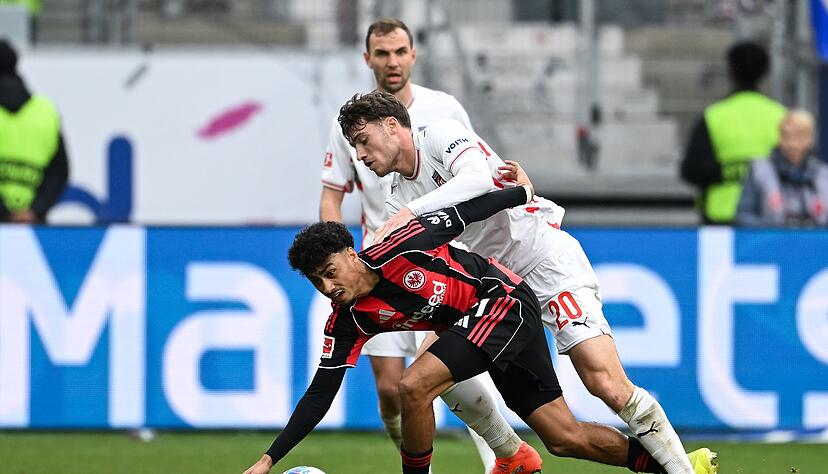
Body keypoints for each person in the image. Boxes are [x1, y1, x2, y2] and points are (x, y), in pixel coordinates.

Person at [341, 90, 718, 474]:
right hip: (496, 293)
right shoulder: (396, 198)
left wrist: (413, 212)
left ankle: (682, 470)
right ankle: (510, 452)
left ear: (392, 126)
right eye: (354, 147)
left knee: (606, 384)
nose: (360, 155)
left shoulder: (438, 135)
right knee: (552, 433)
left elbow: (477, 178)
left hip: (545, 262)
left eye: (363, 141)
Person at [244, 165, 692, 474]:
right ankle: (669, 465)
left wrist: (523, 193)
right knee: (563, 438)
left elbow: (464, 213)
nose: (327, 286)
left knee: (413, 385)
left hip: (505, 301)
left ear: (349, 253)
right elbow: (320, 393)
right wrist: (268, 459)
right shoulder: (347, 321)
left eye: (329, 272)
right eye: (316, 281)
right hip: (476, 328)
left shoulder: (400, 246)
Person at [319, 18, 529, 473]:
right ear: (368, 59)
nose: (392, 62)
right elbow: (332, 195)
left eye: (400, 52)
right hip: (376, 267)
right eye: (382, 53)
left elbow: (477, 170)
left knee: (436, 371)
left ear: (413, 55)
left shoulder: (443, 109)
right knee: (391, 392)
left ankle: (502, 457)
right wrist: (338, 261)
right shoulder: (349, 124)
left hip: (435, 258)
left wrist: (516, 191)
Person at [680, 41, 787, 224]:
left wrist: (728, 172)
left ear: (731, 70)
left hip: (720, 216)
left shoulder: (713, 116)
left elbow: (691, 170)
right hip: (769, 217)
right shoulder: (782, 116)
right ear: (766, 71)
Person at [0, 38, 68, 223]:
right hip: (32, 225)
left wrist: (5, 212)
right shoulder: (44, 111)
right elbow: (59, 171)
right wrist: (35, 210)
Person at [736, 109, 828, 226]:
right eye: (786, 136)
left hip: (816, 238)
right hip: (771, 237)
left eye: (799, 136)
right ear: (779, 137)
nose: (792, 144)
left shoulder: (823, 175)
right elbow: (742, 217)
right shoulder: (759, 170)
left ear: (810, 139)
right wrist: (778, 229)